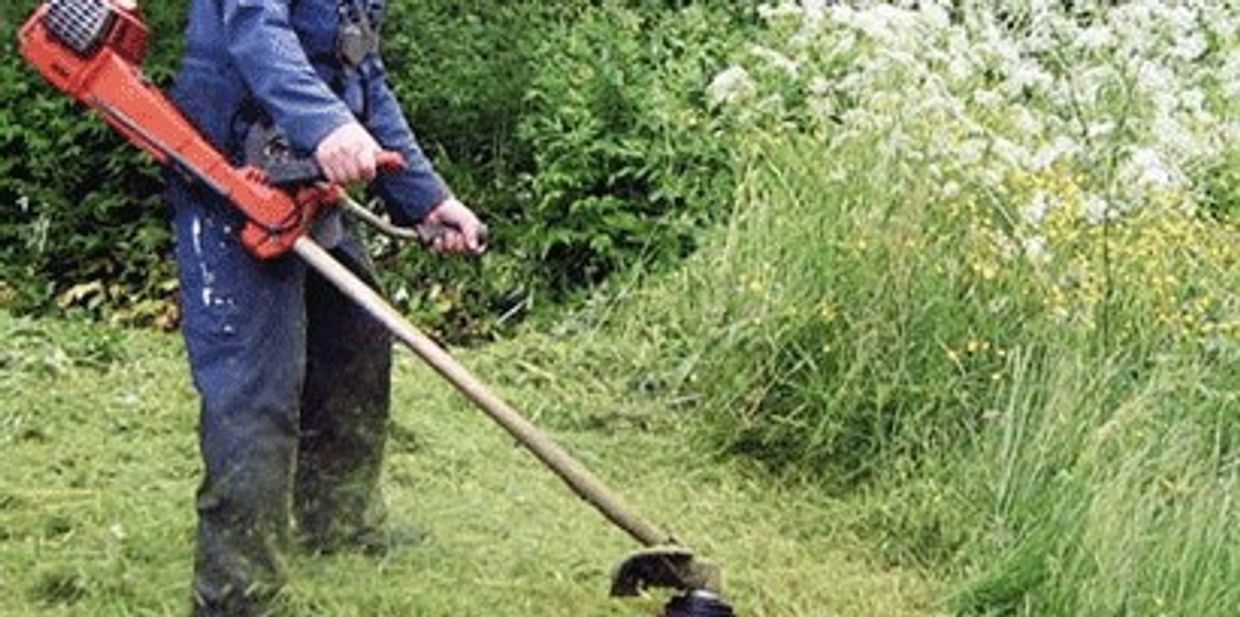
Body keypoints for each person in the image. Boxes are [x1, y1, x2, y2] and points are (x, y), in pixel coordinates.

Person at [163, 0, 486, 614]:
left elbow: (363, 72)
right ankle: (239, 593)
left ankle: (335, 524)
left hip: (302, 176)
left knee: (355, 348)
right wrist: (327, 125)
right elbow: (256, 27)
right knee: (255, 391)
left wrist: (425, 199)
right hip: (229, 174)